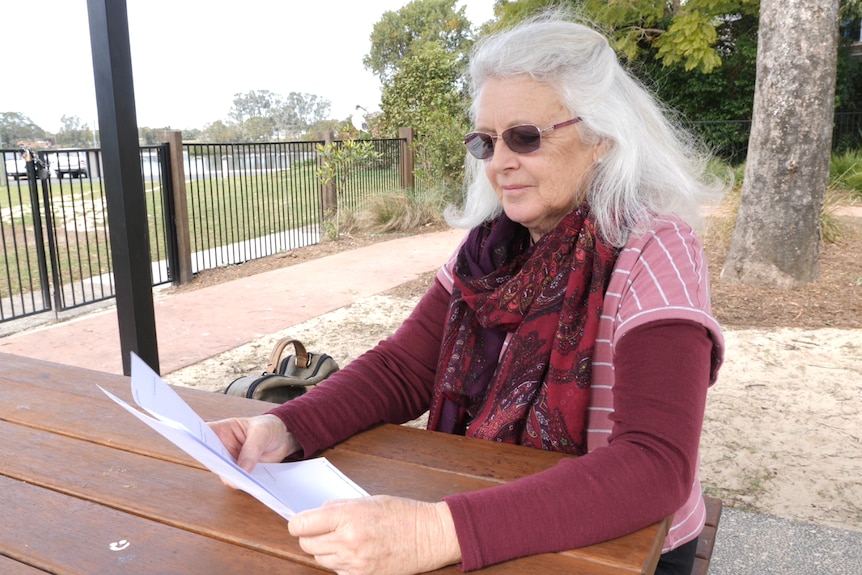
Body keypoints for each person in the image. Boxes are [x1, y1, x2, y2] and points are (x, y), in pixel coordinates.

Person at [210, 11, 725, 575]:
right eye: (486, 141)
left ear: (601, 137)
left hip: (623, 546)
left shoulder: (655, 248)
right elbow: (404, 369)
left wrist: (436, 529)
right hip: (496, 511)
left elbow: (656, 465)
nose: (501, 162)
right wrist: (283, 427)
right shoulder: (489, 251)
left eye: (525, 137)